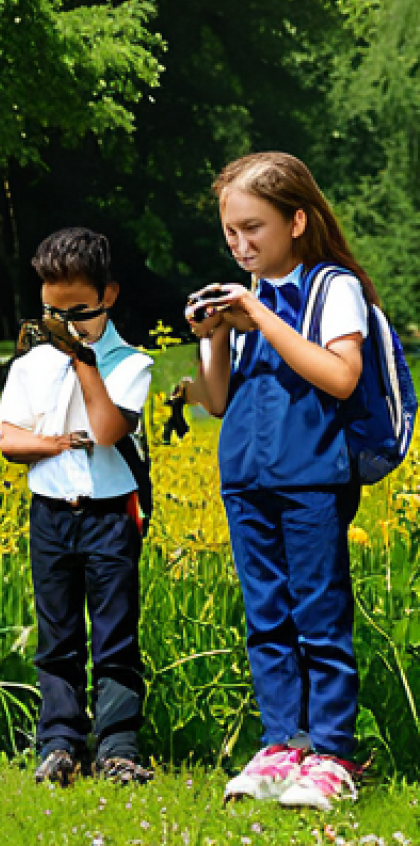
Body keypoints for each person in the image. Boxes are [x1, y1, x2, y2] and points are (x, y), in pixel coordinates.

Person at [184, 151, 375, 811]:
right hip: (246, 479)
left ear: (296, 221)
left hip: (311, 479)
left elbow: (341, 376)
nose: (239, 244)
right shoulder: (249, 300)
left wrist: (257, 315)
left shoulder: (331, 287)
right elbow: (215, 400)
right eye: (230, 231)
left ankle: (332, 753)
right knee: (266, 618)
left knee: (319, 616)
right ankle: (283, 745)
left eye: (253, 228)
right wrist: (212, 336)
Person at [0, 227, 155, 787]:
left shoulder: (130, 362)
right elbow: (10, 440)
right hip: (51, 514)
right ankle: (58, 741)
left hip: (110, 514)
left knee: (115, 635)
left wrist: (84, 359)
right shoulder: (28, 366)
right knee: (57, 635)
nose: (63, 326)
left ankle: (119, 745)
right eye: (51, 314)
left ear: (108, 295)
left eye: (78, 312)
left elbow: (110, 429)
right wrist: (58, 442)